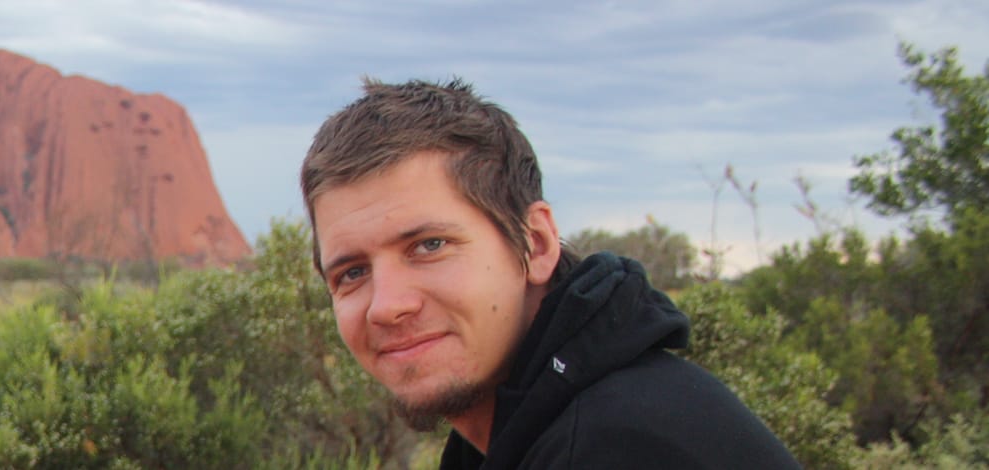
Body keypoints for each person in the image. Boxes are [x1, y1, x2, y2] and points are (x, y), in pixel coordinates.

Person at [299, 79, 798, 468]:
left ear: (535, 244)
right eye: (352, 273)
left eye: (429, 246)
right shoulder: (529, 428)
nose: (387, 305)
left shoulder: (618, 447)